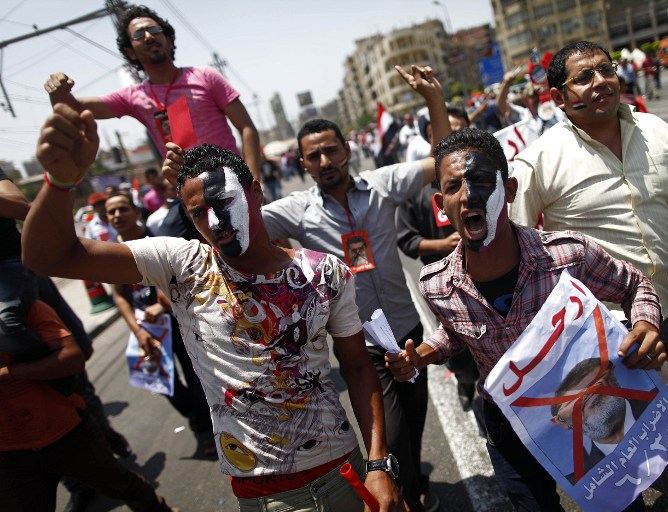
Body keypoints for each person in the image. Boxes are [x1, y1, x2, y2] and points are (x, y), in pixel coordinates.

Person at [24, 104, 400, 512]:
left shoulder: (325, 273)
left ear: (255, 192)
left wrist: (378, 464)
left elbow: (357, 367)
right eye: (198, 213)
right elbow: (48, 257)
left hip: (343, 470)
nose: (215, 221)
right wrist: (60, 182)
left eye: (223, 201)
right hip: (264, 494)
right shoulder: (183, 266)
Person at [167, 65, 448, 512]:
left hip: (407, 328)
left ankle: (412, 481)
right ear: (302, 164)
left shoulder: (383, 184)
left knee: (414, 418)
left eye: (331, 151)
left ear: (347, 150)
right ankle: (404, 493)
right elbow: (230, 221)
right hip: (362, 341)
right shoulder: (294, 209)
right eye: (313, 156)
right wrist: (194, 191)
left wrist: (434, 102)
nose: (324, 161)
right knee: (390, 434)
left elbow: (443, 164)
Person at [386, 127, 668, 512]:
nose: (468, 195)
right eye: (454, 186)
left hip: (587, 402)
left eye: (482, 180)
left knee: (621, 498)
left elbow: (634, 285)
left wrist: (645, 324)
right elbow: (458, 330)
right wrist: (425, 353)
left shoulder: (566, 255)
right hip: (511, 424)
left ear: (509, 190)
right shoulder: (437, 284)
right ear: (441, 204)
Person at [510, 40, 668, 397]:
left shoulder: (655, 131)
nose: (600, 81)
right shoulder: (538, 161)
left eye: (605, 70)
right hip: (602, 331)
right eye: (584, 77)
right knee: (626, 427)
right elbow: (518, 253)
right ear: (559, 97)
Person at [0, 170, 132, 512]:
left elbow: (19, 204)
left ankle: (104, 446)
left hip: (14, 274)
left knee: (67, 373)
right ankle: (78, 481)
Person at [43, 4, 261, 179]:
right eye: (139, 35)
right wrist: (57, 89)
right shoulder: (131, 97)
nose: (148, 36)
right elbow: (71, 109)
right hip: (190, 197)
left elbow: (246, 127)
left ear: (169, 40)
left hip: (232, 181)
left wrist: (252, 179)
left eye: (155, 30)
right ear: (131, 52)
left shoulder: (206, 76)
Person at [0, 300, 176, 512]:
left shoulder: (20, 309)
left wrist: (10, 372)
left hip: (66, 431)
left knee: (122, 485)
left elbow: (72, 358)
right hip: (10, 452)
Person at [106, 193, 216, 459]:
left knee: (195, 376)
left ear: (136, 212)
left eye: (123, 209)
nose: (117, 216)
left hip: (178, 321)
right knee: (158, 380)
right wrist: (138, 330)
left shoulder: (157, 238)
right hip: (149, 330)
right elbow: (119, 296)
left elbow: (175, 278)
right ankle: (196, 416)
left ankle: (206, 430)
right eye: (111, 212)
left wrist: (162, 304)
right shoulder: (111, 251)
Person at [396, 106, 482, 419]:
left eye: (459, 129)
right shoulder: (417, 190)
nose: (452, 135)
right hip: (448, 289)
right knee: (457, 344)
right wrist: (442, 245)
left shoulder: (485, 179)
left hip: (485, 278)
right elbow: (407, 239)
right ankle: (465, 380)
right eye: (444, 130)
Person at [552, 360, 651, 481]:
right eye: (573, 400)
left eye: (594, 383)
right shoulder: (584, 481)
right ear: (561, 422)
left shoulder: (667, 396)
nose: (587, 394)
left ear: (612, 377)